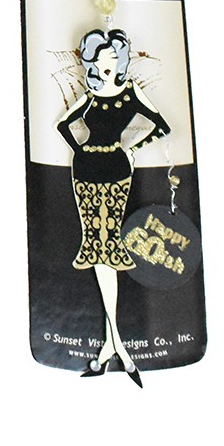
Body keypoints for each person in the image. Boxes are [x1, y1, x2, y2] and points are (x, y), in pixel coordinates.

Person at [56, 27, 170, 386]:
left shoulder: (131, 91)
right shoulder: (90, 96)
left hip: (118, 171)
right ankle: (113, 344)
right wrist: (80, 150)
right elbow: (63, 125)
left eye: (112, 57)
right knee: (96, 243)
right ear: (93, 62)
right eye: (101, 58)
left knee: (110, 244)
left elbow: (160, 125)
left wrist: (132, 148)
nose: (107, 63)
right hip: (85, 170)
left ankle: (113, 345)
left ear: (120, 61)